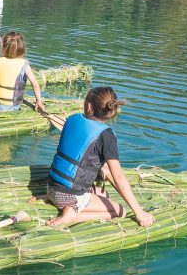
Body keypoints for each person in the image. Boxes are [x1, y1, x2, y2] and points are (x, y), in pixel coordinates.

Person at [45, 86, 155, 229]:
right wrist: (139, 212)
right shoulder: (106, 135)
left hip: (51, 187)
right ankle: (74, 216)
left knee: (104, 194)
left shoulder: (72, 119)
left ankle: (67, 205)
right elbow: (119, 177)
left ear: (89, 106)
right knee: (120, 211)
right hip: (69, 197)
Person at [0, 31, 45, 112]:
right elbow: (35, 85)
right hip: (13, 106)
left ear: (4, 46)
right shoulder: (24, 64)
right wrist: (38, 101)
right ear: (22, 48)